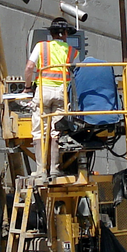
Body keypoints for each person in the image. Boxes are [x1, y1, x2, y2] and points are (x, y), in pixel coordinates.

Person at [24, 17, 79, 175]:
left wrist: (28, 88)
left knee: (39, 131)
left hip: (43, 91)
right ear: (66, 34)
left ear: (52, 34)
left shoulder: (41, 47)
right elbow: (79, 73)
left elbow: (29, 67)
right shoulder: (72, 51)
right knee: (56, 131)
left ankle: (41, 169)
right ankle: (55, 169)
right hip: (62, 93)